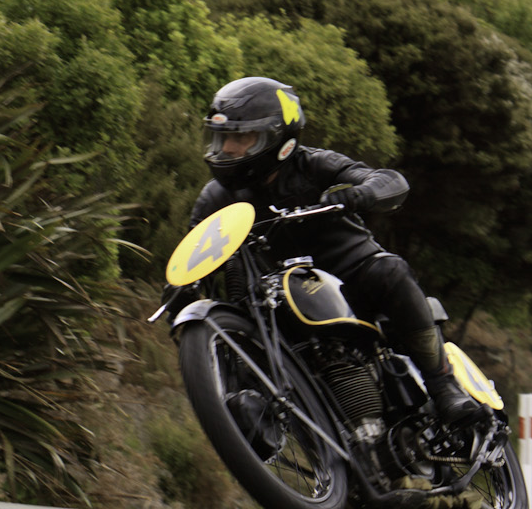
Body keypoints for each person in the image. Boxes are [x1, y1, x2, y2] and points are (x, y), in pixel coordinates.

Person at [192, 75, 482, 427]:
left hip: (353, 281)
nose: (228, 150)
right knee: (237, 345)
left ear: (278, 138)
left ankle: (444, 386)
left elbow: (389, 181)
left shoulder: (314, 164)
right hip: (279, 305)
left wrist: (362, 194)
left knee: (390, 271)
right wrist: (182, 286)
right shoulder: (214, 198)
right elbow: (196, 248)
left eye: (241, 138)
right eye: (223, 138)